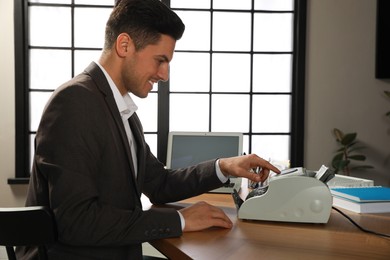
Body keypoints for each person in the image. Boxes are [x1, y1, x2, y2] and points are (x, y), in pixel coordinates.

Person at [17, 0, 280, 259]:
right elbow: (78, 221)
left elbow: (159, 184)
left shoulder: (122, 111)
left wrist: (224, 166)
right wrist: (179, 220)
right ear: (124, 45)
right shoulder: (74, 102)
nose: (164, 75)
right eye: (160, 60)